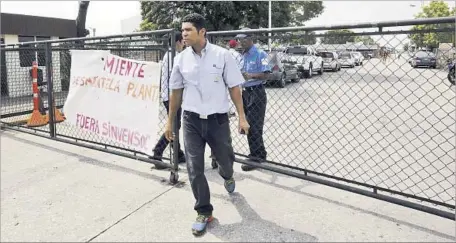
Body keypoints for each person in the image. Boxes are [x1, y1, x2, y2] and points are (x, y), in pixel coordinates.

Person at [164, 13, 250, 236]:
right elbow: (176, 92)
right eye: (182, 31)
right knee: (194, 167)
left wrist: (241, 116)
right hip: (191, 120)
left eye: (188, 30)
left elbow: (234, 87)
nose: (183, 34)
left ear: (202, 32)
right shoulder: (180, 59)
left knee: (225, 159)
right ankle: (204, 211)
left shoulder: (223, 56)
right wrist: (170, 122)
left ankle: (227, 174)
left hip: (218, 120)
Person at [150, 31, 186, 170]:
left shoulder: (170, 54)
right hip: (172, 97)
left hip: (168, 95)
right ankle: (157, 152)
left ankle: (178, 154)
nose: (184, 45)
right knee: (174, 126)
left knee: (175, 125)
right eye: (182, 42)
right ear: (178, 42)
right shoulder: (174, 56)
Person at [236, 29, 270, 171]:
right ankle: (259, 153)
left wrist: (250, 76)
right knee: (247, 125)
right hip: (245, 92)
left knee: (254, 126)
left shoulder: (260, 54)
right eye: (239, 39)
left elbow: (266, 74)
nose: (240, 42)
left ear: (251, 39)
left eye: (243, 39)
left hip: (256, 92)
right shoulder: (242, 55)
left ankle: (256, 156)